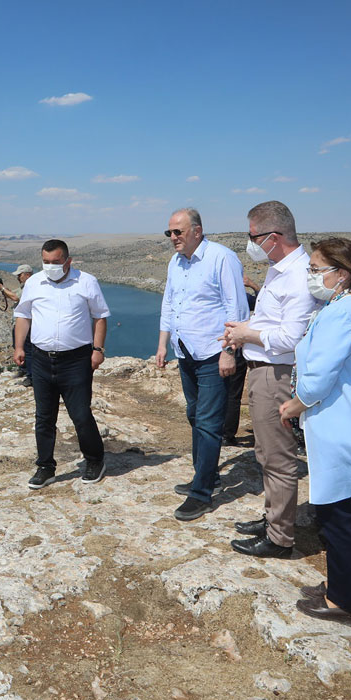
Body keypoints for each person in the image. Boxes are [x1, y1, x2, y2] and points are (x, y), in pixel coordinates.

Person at [278, 238, 351, 626]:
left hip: (342, 426)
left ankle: (344, 601)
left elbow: (319, 377)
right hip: (346, 421)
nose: (311, 276)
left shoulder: (345, 313)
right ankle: (338, 587)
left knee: (336, 514)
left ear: (342, 274)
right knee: (336, 510)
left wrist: (296, 403)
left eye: (316, 270)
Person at [221, 201, 321, 558]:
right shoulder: (279, 269)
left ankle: (280, 539)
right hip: (263, 370)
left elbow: (291, 339)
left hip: (276, 374)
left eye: (252, 237)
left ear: (273, 237)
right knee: (265, 451)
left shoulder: (297, 276)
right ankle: (273, 518)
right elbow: (275, 323)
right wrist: (247, 329)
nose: (249, 244)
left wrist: (247, 335)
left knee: (277, 456)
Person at [155, 208, 249, 520]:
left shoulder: (221, 258)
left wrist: (229, 351)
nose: (172, 238)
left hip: (212, 352)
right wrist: (162, 343)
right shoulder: (176, 261)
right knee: (194, 414)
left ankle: (202, 492)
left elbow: (237, 308)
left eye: (177, 232)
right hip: (185, 351)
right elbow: (170, 302)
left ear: (197, 230)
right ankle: (206, 474)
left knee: (208, 422)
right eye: (169, 233)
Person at [13, 240, 111, 489]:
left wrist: (97, 350)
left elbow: (100, 317)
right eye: (46, 262)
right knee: (44, 416)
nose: (50, 267)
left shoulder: (86, 282)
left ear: (68, 261)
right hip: (42, 359)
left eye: (56, 262)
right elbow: (23, 315)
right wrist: (19, 347)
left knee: (80, 413)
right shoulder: (34, 283)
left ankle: (95, 460)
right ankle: (45, 467)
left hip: (76, 360)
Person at [221, 273, 259, 446]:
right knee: (231, 393)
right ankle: (226, 434)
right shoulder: (239, 296)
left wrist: (252, 284)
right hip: (231, 346)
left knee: (231, 393)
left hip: (230, 348)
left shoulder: (239, 295)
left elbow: (262, 303)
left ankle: (225, 433)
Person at [0, 264, 35, 383]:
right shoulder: (24, 287)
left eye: (20, 275)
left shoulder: (30, 287)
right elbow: (13, 293)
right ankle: (23, 368)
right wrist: (2, 288)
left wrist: (2, 289)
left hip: (26, 324)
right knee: (19, 346)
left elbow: (16, 298)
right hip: (20, 323)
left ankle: (31, 376)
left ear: (27, 275)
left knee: (27, 349)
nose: (18, 277)